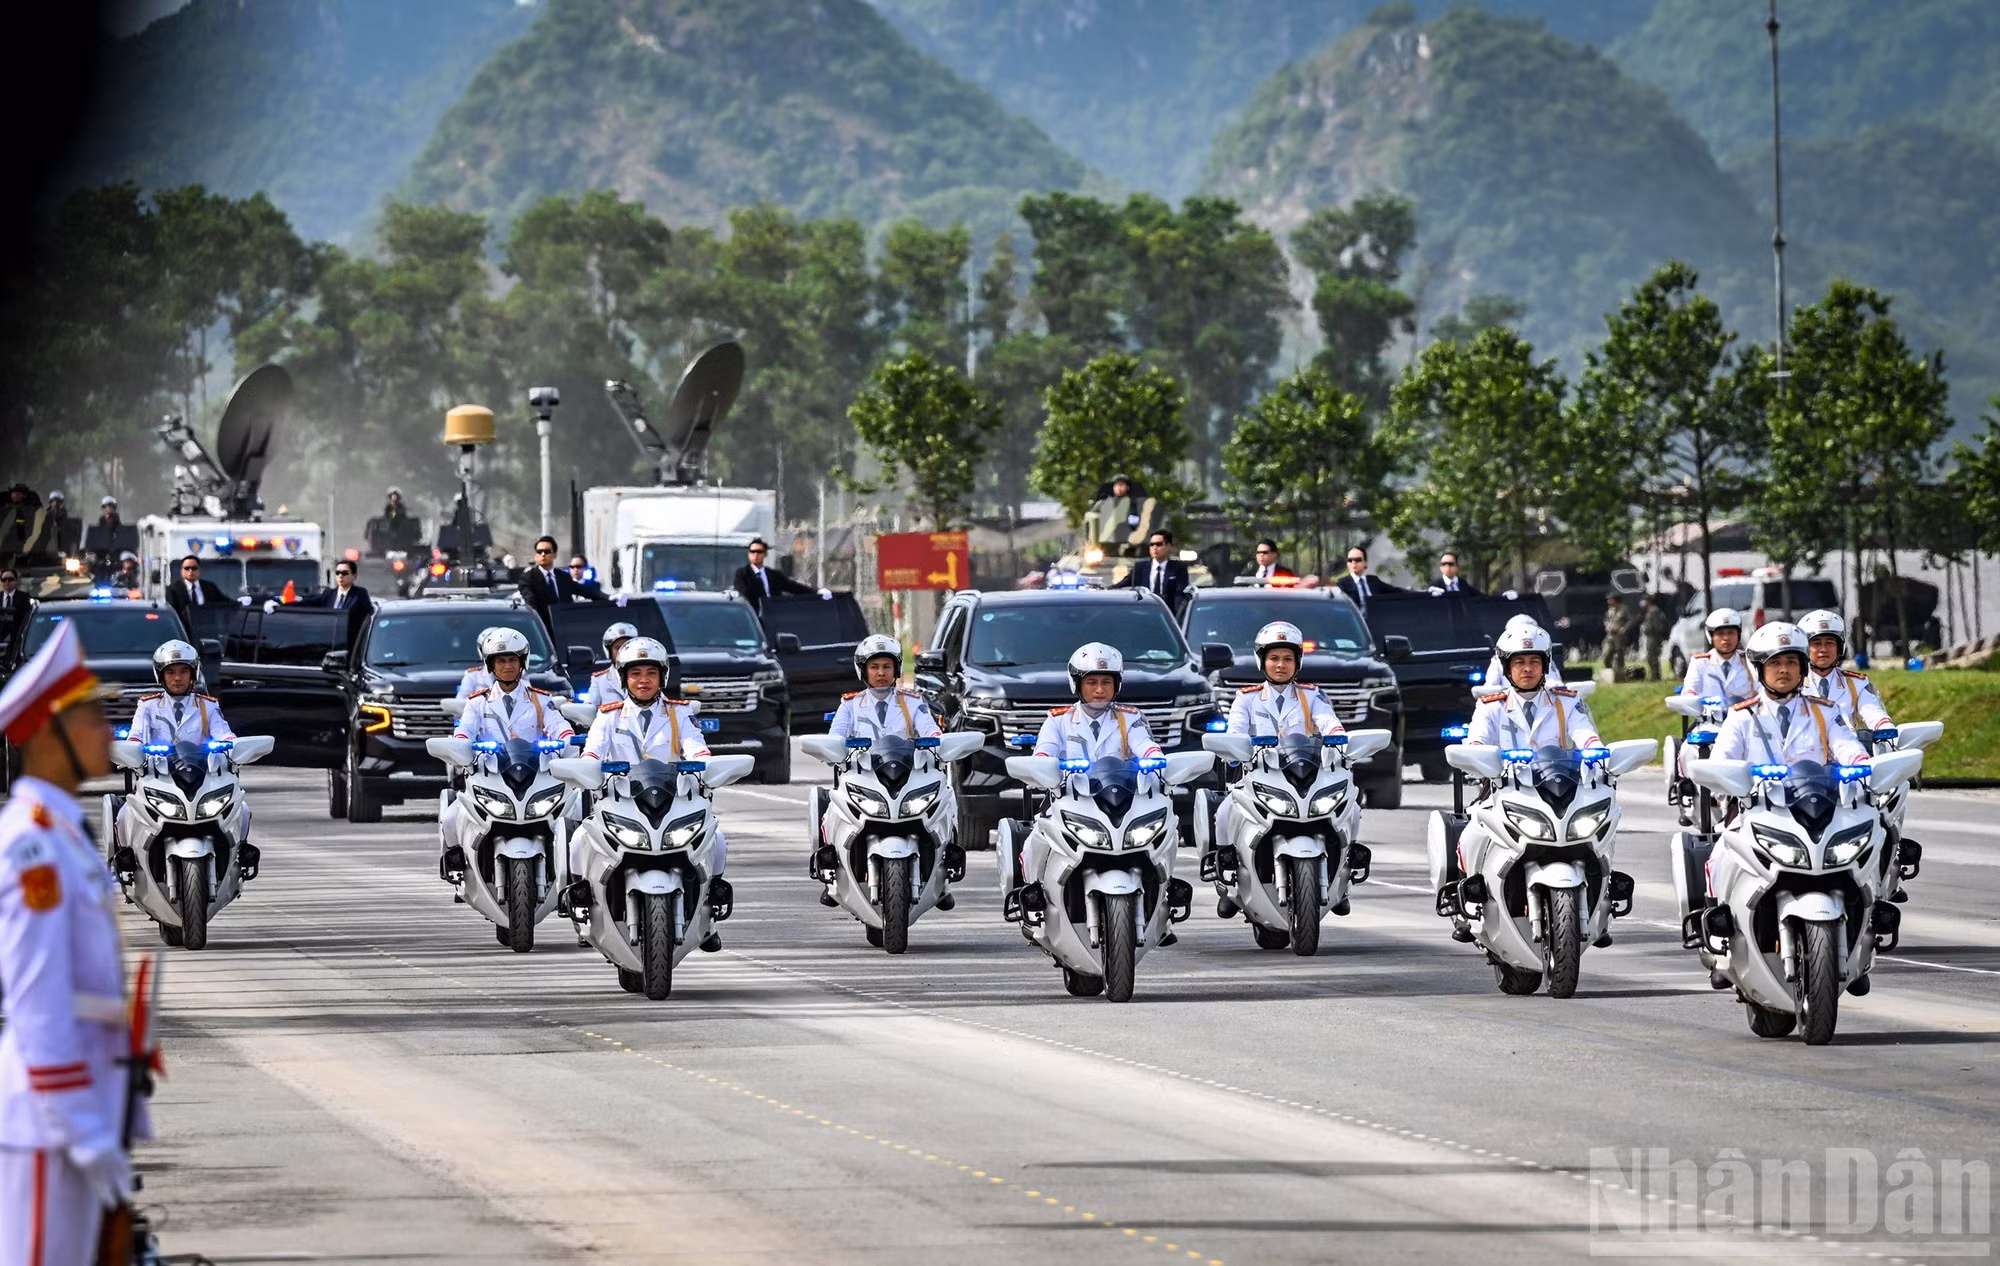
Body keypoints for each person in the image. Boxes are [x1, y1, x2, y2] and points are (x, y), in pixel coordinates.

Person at [0, 621, 141, 1266]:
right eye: (89, 719)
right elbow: (37, 1001)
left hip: (81, 1104)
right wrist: (83, 1132)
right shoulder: (32, 845)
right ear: (46, 735)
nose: (106, 733)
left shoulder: (67, 833)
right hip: (50, 1121)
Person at [1436, 623, 1601, 943]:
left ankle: (1602, 902)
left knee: (1598, 833)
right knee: (1472, 833)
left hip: (1558, 790)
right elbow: (1477, 742)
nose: (1527, 669)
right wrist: (1479, 757)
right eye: (1519, 662)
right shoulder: (1491, 705)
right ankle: (1467, 903)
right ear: (1507, 667)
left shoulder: (1565, 701)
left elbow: (1585, 733)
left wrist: (1596, 751)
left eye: (1535, 662)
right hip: (1502, 790)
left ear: (1545, 665)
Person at [578, 637, 728, 951]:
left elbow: (696, 747)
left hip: (672, 800)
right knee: (579, 838)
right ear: (623, 678)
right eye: (635, 673)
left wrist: (705, 766)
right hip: (622, 802)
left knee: (717, 839)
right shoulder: (609, 716)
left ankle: (709, 915)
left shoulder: (680, 713)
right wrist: (587, 770)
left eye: (651, 673)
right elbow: (591, 754)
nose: (643, 680)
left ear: (663, 677)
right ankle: (583, 912)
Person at [1019, 643, 1168, 934]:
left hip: (1122, 801)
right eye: (1091, 682)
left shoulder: (1131, 717)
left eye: (1106, 682)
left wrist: (1155, 758)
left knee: (1164, 831)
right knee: (1037, 836)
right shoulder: (1058, 719)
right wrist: (1043, 765)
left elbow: (1144, 744)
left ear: (1117, 685)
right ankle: (1033, 896)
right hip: (1070, 800)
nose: (1099, 689)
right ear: (1077, 684)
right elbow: (1045, 751)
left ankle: (1163, 903)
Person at [1213, 621, 1347, 918]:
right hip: (1258, 777)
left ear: (1297, 662)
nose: (1280, 665)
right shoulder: (1245, 698)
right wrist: (1233, 750)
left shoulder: (1312, 696)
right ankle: (1228, 879)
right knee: (1224, 812)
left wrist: (1339, 737)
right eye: (1274, 658)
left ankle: (1343, 874)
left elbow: (1328, 721)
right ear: (1263, 660)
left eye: (1287, 659)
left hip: (1304, 775)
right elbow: (1234, 733)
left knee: (1351, 806)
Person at [820, 634, 945, 906]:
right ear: (863, 670)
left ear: (896, 670)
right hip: (862, 775)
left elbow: (930, 730)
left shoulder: (912, 701)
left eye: (886, 667)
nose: (880, 673)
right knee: (830, 807)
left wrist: (938, 742)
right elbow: (835, 737)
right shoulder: (850, 704)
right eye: (874, 667)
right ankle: (832, 874)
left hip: (907, 774)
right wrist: (832, 749)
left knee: (945, 799)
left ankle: (944, 875)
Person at [451, 628, 571, 747]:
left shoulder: (541, 699)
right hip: (490, 765)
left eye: (513, 660)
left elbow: (560, 727)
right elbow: (466, 730)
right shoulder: (477, 702)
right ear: (491, 666)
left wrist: (568, 741)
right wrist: (460, 744)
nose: (508, 666)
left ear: (522, 663)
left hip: (534, 765)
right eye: (501, 661)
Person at [1797, 609, 1892, 733]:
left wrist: (1886, 729)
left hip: (1850, 748)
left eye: (1830, 643)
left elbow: (1874, 713)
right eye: (1817, 643)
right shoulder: (1792, 685)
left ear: (1840, 647)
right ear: (1805, 648)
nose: (1823, 649)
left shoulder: (1855, 684)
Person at [128, 640, 235, 746]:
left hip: (199, 763)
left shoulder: (207, 706)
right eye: (170, 672)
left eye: (183, 672)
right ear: (161, 676)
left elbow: (223, 734)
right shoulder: (148, 706)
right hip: (159, 762)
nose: (177, 678)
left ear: (193, 674)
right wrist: (132, 746)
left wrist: (234, 744)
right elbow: (136, 736)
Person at [1678, 608, 1754, 705]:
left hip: (1746, 717)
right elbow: (1690, 688)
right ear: (1710, 636)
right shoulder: (1700, 662)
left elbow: (1761, 690)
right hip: (1710, 718)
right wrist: (1690, 698)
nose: (1726, 638)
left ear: (1738, 635)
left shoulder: (1749, 661)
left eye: (1731, 633)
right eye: (1720, 634)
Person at [731, 538, 825, 610]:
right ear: (748, 554)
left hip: (775, 615)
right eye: (752, 552)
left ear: (765, 554)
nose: (755, 555)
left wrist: (817, 593)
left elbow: (793, 587)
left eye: (759, 552)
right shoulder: (742, 574)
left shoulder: (774, 575)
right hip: (753, 616)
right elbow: (744, 592)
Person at [1111, 530, 1191, 608]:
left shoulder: (1178, 568)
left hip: (1168, 614)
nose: (1154, 547)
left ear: (1168, 546)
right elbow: (1121, 585)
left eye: (1159, 544)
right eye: (1152, 544)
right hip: (1145, 612)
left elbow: (1180, 595)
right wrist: (1104, 590)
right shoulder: (1140, 568)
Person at [517, 536, 586, 626]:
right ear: (536, 555)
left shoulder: (563, 576)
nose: (543, 554)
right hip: (543, 628)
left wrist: (607, 597)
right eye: (539, 551)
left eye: (547, 552)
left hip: (566, 626)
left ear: (554, 555)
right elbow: (530, 602)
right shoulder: (529, 577)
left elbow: (583, 590)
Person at [578, 621, 639, 708]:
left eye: (627, 647)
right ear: (609, 651)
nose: (623, 651)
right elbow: (589, 707)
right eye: (618, 648)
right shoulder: (599, 679)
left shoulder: (648, 676)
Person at [1085, 475, 1145, 551]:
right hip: (1102, 545)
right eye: (1116, 485)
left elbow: (1137, 524)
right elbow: (1089, 520)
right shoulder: (1103, 504)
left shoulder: (1133, 506)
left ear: (1127, 487)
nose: (1119, 487)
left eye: (1122, 485)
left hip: (1125, 545)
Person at [163, 556, 228, 623]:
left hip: (208, 629)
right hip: (184, 630)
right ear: (182, 571)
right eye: (187, 568)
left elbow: (225, 602)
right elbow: (172, 612)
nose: (190, 571)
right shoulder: (173, 590)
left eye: (194, 568)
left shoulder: (210, 587)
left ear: (199, 570)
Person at [1334, 545, 1400, 611]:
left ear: (1365, 563)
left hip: (1376, 617)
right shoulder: (1342, 585)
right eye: (1350, 560)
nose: (1353, 562)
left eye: (1358, 560)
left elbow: (1396, 591)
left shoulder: (1374, 581)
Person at [301, 560, 373, 619]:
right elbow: (309, 603)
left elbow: (369, 613)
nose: (340, 576)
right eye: (338, 573)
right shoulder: (328, 594)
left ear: (354, 576)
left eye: (345, 573)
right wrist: (290, 602)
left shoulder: (359, 594)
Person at [1602, 593, 1634, 678]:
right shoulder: (1610, 610)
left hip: (1619, 637)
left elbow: (1630, 620)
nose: (1608, 601)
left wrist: (1624, 629)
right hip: (1610, 636)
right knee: (1606, 654)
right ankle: (1609, 674)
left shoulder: (1624, 609)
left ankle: (1620, 676)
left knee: (1619, 656)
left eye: (1610, 599)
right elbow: (1606, 620)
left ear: (1615, 600)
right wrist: (1607, 626)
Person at [1640, 596, 1670, 681]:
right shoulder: (1650, 611)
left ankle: (1655, 675)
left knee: (1653, 656)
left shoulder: (1654, 611)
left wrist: (1655, 633)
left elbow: (1656, 625)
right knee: (1650, 656)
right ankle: (1654, 674)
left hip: (1654, 637)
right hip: (1650, 636)